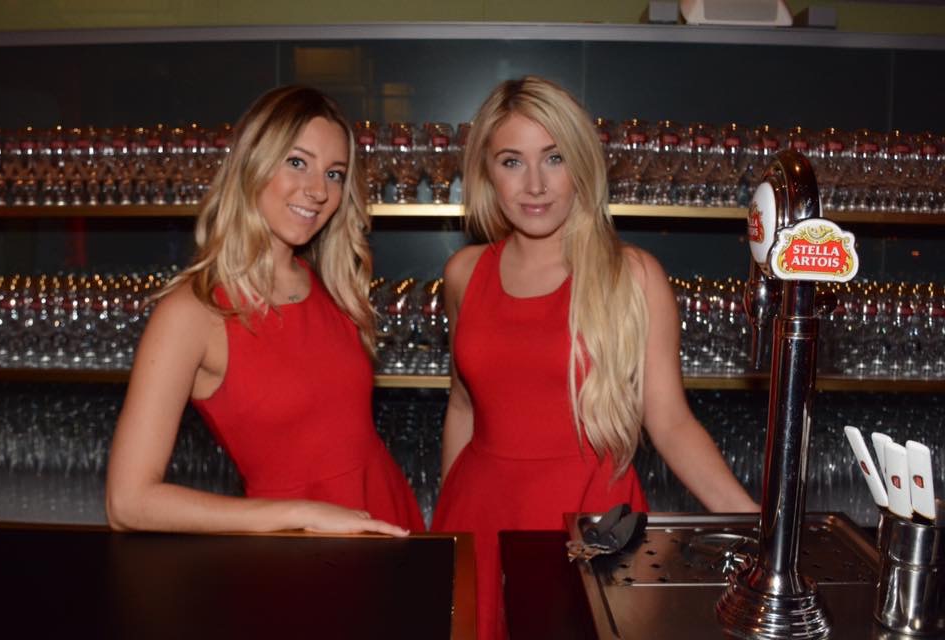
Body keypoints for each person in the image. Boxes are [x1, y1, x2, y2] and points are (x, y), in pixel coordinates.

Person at [430, 76, 759, 639]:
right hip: (479, 513)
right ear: (487, 172)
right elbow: (462, 406)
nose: (535, 184)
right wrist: (448, 530)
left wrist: (758, 526)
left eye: (554, 158)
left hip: (591, 521)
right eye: (512, 162)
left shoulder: (633, 275)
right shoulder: (464, 273)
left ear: (581, 164)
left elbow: (671, 422)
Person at [106, 85, 424, 536]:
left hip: (385, 518)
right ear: (252, 164)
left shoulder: (332, 285)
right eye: (297, 162)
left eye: (334, 174)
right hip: (292, 546)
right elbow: (127, 502)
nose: (318, 190)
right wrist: (299, 514)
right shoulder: (192, 313)